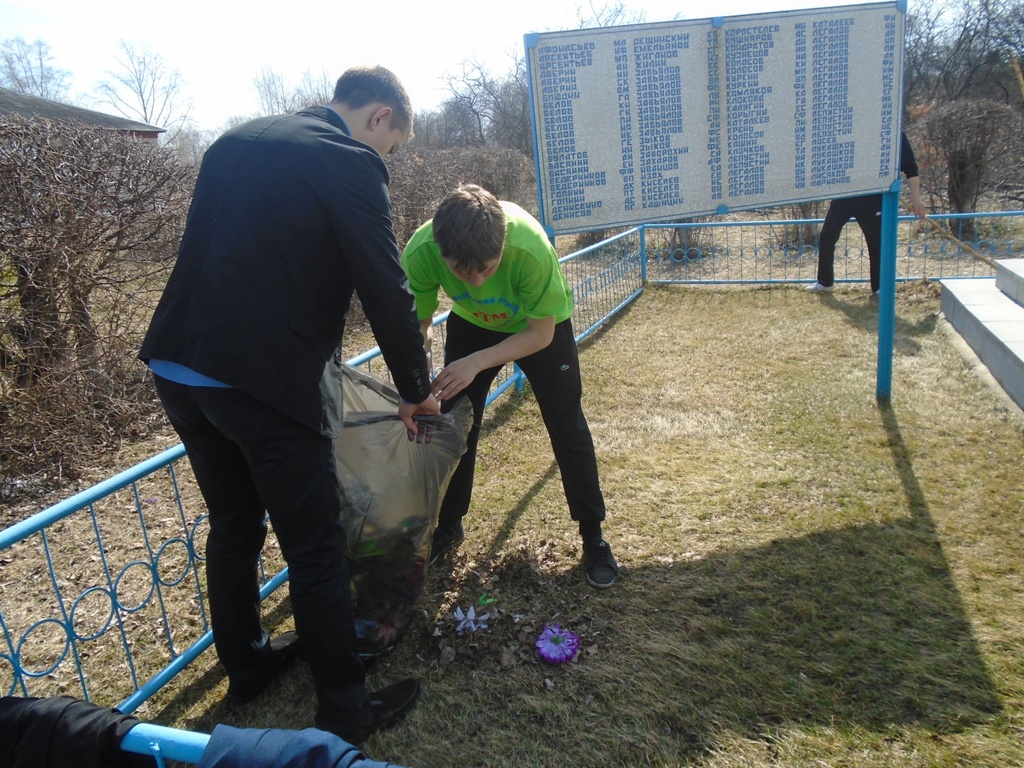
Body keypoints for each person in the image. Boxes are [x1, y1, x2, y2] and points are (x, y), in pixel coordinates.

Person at [138, 66, 440, 744]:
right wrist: (416, 390)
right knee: (314, 545)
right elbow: (385, 287)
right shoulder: (350, 161)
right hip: (264, 386)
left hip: (180, 367)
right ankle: (345, 711)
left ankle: (247, 668)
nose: (385, 156)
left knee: (234, 523)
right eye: (391, 145)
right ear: (380, 118)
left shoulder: (235, 140)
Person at [400, 184, 619, 588]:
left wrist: (476, 362)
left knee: (567, 425)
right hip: (472, 325)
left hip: (538, 330)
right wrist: (416, 379)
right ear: (440, 251)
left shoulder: (529, 246)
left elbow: (540, 334)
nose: (478, 283)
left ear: (502, 244)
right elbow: (419, 326)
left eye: (488, 268)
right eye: (463, 272)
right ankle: (448, 526)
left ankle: (593, 536)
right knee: (455, 424)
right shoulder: (420, 251)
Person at [806, 131, 928, 296]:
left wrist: (916, 199)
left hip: (873, 197)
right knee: (827, 236)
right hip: (844, 195)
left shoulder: (893, 129)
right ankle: (825, 282)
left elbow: (910, 167)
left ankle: (879, 288)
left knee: (876, 243)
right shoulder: (852, 126)